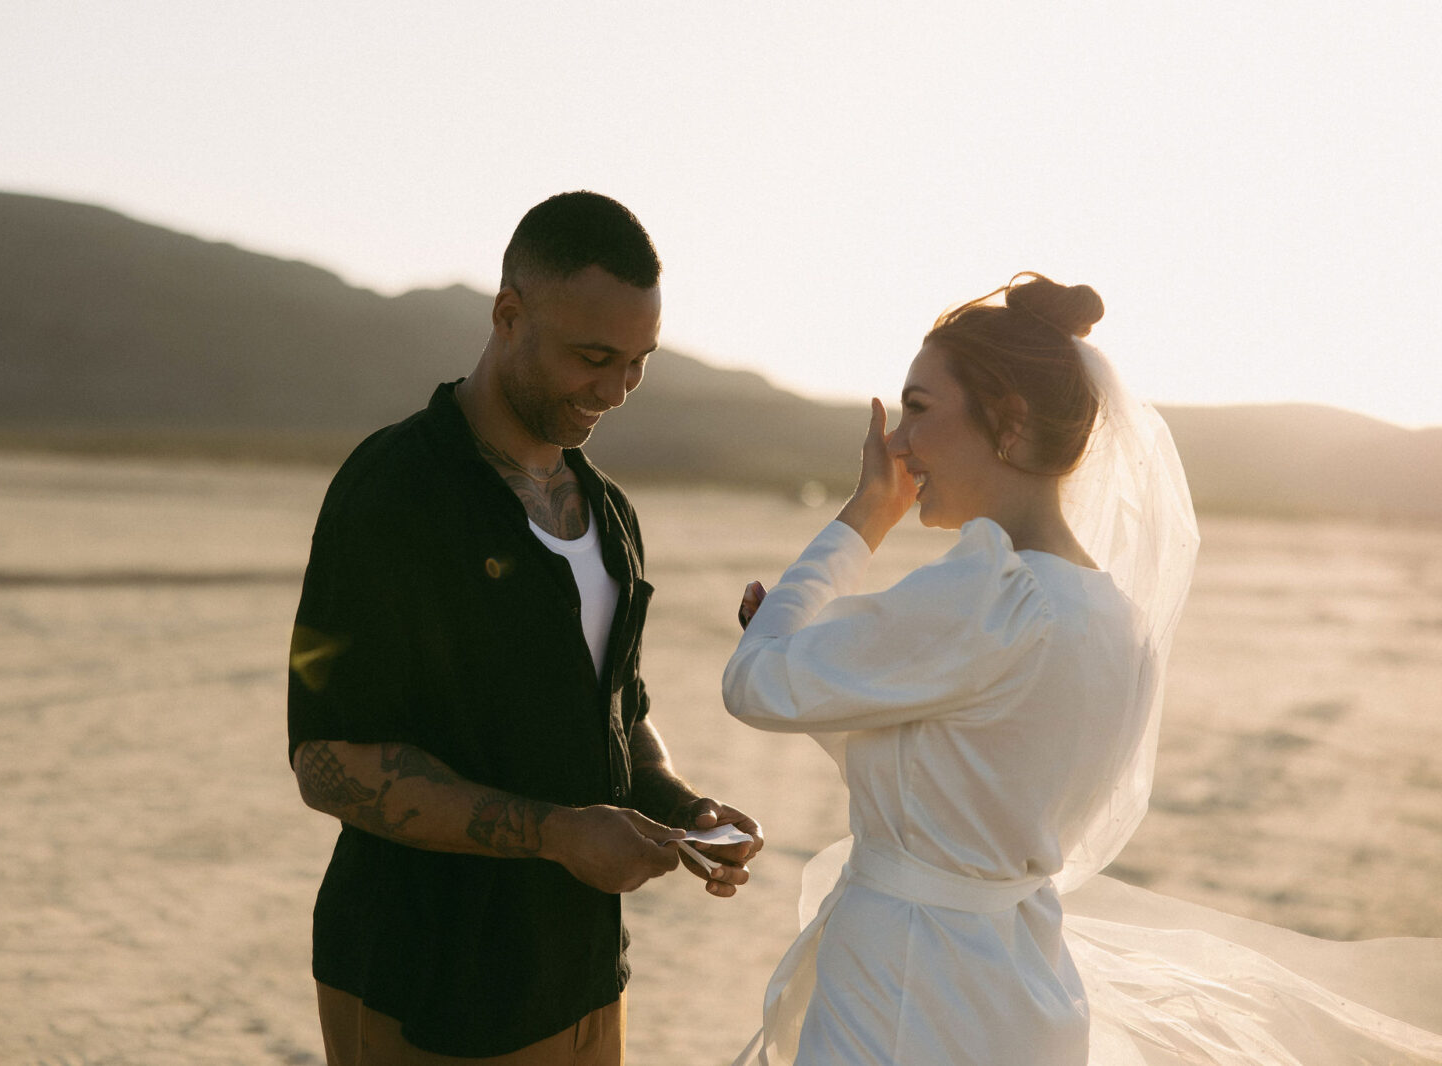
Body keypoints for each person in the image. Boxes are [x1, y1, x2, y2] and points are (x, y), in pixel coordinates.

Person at [721, 274, 1442, 1065]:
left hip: (909, 988)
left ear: (1010, 420)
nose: (895, 443)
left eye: (919, 409)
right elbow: (954, 774)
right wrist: (821, 673)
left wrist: (863, 517)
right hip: (1020, 990)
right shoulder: (1112, 616)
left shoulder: (991, 594)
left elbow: (752, 684)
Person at [288, 191, 762, 1066]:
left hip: (579, 980)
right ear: (509, 315)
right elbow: (330, 762)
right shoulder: (393, 490)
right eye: (593, 357)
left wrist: (677, 806)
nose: (617, 390)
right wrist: (556, 833)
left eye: (639, 361)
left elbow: (613, 702)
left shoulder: (609, 512)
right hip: (422, 983)